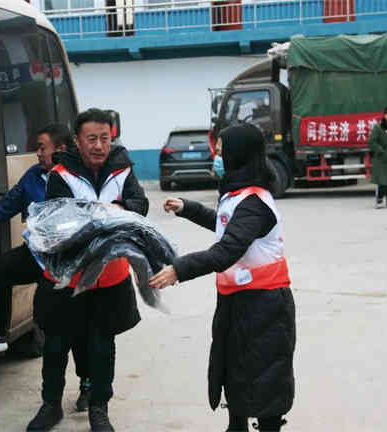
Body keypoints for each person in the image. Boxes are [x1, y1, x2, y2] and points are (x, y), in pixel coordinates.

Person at [149, 124, 295, 432]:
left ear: (237, 155)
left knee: (266, 374)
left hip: (265, 305)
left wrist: (179, 269)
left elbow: (227, 249)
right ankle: (236, 426)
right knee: (234, 367)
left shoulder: (255, 202)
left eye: (220, 151)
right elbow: (225, 225)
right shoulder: (236, 195)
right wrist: (188, 208)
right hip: (236, 298)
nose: (216, 157)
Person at [0, 124, 93, 411]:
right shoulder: (33, 176)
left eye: (42, 147)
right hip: (37, 255)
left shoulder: (79, 178)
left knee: (73, 325)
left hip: (68, 263)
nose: (37, 153)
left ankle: (88, 384)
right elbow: (6, 206)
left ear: (60, 149)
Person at [27, 108, 148, 432]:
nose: (99, 145)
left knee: (102, 347)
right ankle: (51, 405)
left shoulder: (123, 170)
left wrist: (121, 208)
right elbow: (59, 220)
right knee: (56, 345)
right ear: (78, 141)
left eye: (104, 138)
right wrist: (105, 218)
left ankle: (99, 408)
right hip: (66, 278)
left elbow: (140, 205)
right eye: (91, 139)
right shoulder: (61, 174)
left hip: (109, 278)